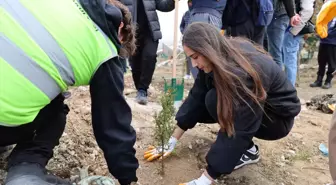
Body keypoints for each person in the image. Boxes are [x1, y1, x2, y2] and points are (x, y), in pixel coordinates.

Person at [0, 0, 139, 185]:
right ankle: (25, 172)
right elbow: (112, 125)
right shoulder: (104, 46)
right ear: (120, 27)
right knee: (55, 110)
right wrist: (128, 178)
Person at [144, 22, 301, 185]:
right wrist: (172, 140)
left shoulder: (242, 72)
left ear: (207, 49)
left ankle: (247, 151)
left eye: (195, 57)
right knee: (210, 98)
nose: (195, 64)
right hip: (259, 108)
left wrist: (204, 180)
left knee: (219, 103)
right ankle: (246, 149)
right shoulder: (218, 56)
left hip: (276, 120)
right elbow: (196, 97)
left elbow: (240, 127)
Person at [128, 0, 176, 105]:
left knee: (149, 56)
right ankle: (139, 89)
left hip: (150, 32)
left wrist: (172, 2)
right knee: (135, 64)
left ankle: (142, 89)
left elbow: (164, 5)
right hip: (131, 33)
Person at [282, 0, 315, 86]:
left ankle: (289, 89)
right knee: (289, 59)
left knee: (290, 60)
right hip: (291, 28)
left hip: (293, 30)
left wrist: (294, 30)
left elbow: (308, 10)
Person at [266, 0, 301, 68]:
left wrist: (292, 14)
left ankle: (278, 77)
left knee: (275, 53)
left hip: (277, 14)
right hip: (278, 14)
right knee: (275, 52)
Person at [310, 0, 336, 89]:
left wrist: (328, 33)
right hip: (323, 41)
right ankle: (319, 80)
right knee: (321, 61)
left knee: (332, 63)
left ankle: (328, 81)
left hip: (333, 42)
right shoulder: (324, 12)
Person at [180, 0, 198, 79]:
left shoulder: (198, 13)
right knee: (188, 58)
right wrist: (184, 32)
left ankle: (197, 76)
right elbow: (181, 26)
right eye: (189, 2)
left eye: (191, 2)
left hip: (196, 39)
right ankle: (188, 74)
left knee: (196, 57)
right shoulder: (186, 14)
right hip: (187, 39)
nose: (190, 4)